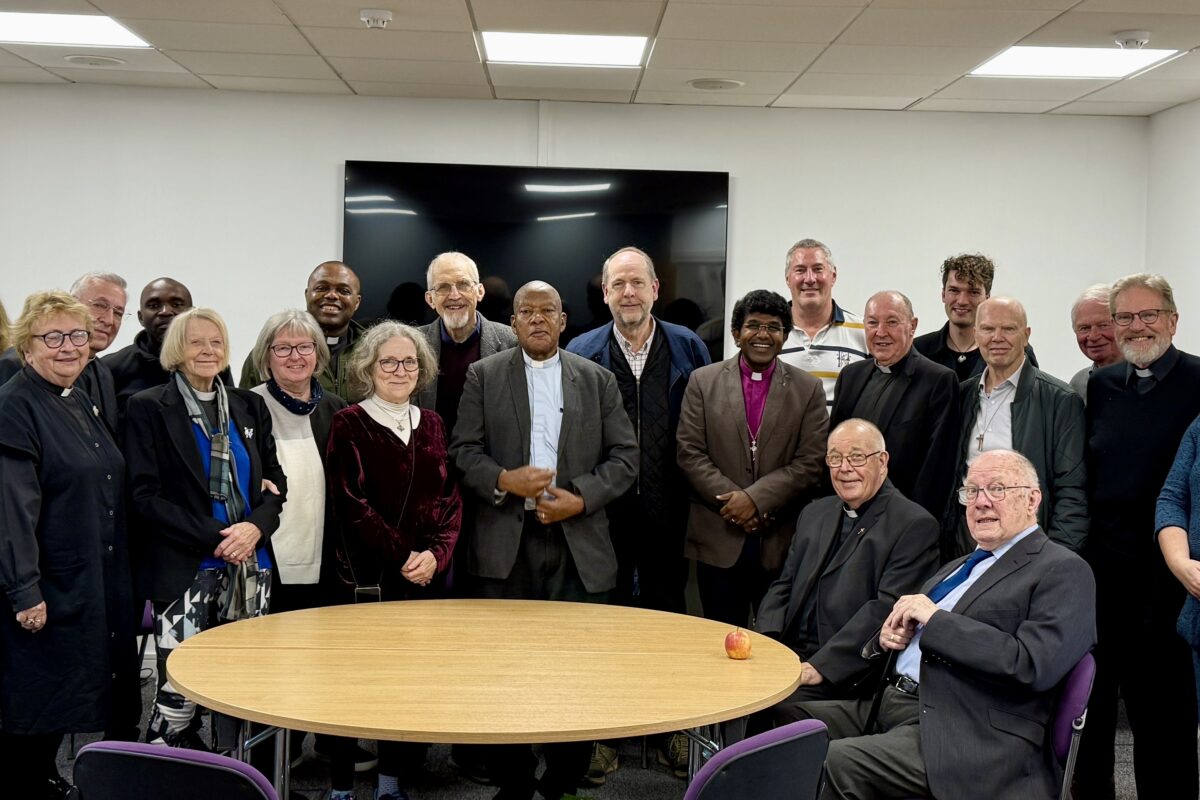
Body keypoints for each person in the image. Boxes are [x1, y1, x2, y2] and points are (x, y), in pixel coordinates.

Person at [798, 450, 1096, 800]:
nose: (981, 502)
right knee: (780, 721)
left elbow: (1032, 665)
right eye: (971, 492)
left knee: (835, 762)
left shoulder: (1062, 569)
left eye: (996, 489)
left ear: (1033, 499)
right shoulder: (957, 567)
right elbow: (916, 632)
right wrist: (885, 640)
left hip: (969, 730)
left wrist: (937, 620)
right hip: (895, 703)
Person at [451, 280, 638, 800]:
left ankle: (562, 783)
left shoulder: (597, 380)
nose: (536, 319)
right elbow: (462, 451)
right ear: (512, 323)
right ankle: (513, 782)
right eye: (526, 311)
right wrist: (504, 480)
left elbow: (626, 458)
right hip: (505, 545)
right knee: (504, 668)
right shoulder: (483, 376)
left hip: (579, 545)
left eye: (547, 311)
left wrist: (580, 498)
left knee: (575, 672)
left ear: (562, 321)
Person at [566, 246, 710, 783]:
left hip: (668, 510)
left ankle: (669, 727)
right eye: (618, 284)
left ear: (656, 289)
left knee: (667, 617)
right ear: (604, 293)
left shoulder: (687, 346)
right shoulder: (580, 349)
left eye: (638, 283)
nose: (629, 293)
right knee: (601, 621)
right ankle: (601, 732)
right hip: (600, 514)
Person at [124, 308, 286, 749]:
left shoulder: (246, 405)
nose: (208, 351)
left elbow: (276, 484)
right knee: (180, 690)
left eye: (216, 342)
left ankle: (236, 775)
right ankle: (163, 770)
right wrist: (221, 536)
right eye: (196, 342)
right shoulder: (148, 408)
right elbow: (144, 497)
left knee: (244, 684)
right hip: (186, 567)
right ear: (177, 349)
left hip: (252, 566)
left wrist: (254, 527)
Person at [0, 291, 138, 798]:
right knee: (34, 699)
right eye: (51, 337)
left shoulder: (77, 394)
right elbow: (11, 509)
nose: (67, 347)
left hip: (87, 575)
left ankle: (41, 777)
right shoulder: (15, 406)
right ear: (27, 346)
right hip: (46, 584)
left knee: (63, 694)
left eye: (76, 335)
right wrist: (24, 591)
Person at [326, 320, 463, 800]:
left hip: (421, 581)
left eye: (409, 361)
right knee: (349, 684)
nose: (400, 370)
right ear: (369, 367)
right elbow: (351, 504)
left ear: (422, 369)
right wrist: (406, 554)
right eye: (389, 361)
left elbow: (449, 501)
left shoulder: (433, 424)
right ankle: (341, 785)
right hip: (366, 578)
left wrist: (435, 556)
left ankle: (390, 783)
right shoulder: (348, 422)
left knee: (405, 686)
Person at [1078, 273, 1200, 800]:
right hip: (1106, 574)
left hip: (1173, 576)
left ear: (1173, 319)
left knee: (1164, 713)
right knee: (1097, 703)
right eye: (1124, 316)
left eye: (1148, 314)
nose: (1136, 326)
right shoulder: (1104, 385)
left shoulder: (1199, 383)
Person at [753, 419, 939, 728]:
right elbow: (783, 585)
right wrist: (766, 644)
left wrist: (819, 667)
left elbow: (885, 611)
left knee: (769, 706)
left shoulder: (914, 525)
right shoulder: (815, 512)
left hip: (847, 671)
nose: (844, 468)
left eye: (856, 457)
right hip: (788, 655)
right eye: (835, 458)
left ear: (882, 461)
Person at [677, 289, 828, 628]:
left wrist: (755, 501)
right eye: (753, 325)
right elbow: (690, 453)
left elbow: (810, 462)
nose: (763, 335)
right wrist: (736, 504)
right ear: (736, 333)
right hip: (718, 538)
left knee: (776, 643)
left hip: (779, 541)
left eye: (774, 327)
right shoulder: (703, 381)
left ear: (785, 335)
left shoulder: (808, 389)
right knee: (716, 641)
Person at [943, 296, 1086, 560]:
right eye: (987, 329)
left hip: (1028, 548)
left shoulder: (1060, 400)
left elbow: (1072, 493)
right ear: (976, 334)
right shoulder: (962, 395)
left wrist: (1052, 562)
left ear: (1026, 335)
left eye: (1008, 329)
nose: (997, 338)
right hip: (966, 544)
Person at [829, 291, 958, 517]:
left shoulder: (937, 380)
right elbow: (833, 449)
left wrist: (912, 522)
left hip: (902, 519)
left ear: (912, 326)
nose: (881, 332)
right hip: (847, 514)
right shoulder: (850, 376)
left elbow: (936, 468)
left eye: (891, 322)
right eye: (872, 323)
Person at [414, 252, 517, 456]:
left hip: (489, 467)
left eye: (462, 285)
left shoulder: (513, 343)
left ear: (479, 292)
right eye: (443, 287)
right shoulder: (411, 345)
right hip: (428, 464)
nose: (454, 295)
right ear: (430, 299)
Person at [1, 272, 127, 431]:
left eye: (118, 313)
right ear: (72, 304)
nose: (109, 320)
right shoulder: (15, 365)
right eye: (100, 305)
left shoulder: (104, 372)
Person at [106, 277, 233, 420]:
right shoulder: (111, 368)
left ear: (192, 313)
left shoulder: (210, 364)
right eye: (154, 306)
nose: (165, 312)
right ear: (141, 318)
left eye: (177, 304)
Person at [240, 261, 366, 402]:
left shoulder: (374, 350)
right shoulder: (271, 350)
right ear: (307, 294)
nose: (332, 295)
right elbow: (244, 410)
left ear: (357, 302)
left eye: (344, 291)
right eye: (321, 288)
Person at [912, 253, 1037, 382]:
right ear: (943, 294)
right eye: (954, 290)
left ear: (987, 297)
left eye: (973, 292)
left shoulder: (1014, 350)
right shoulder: (918, 350)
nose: (962, 301)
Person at [777, 238, 867, 405]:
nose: (810, 279)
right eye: (800, 270)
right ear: (788, 278)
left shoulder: (864, 331)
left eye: (818, 269)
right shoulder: (770, 334)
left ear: (833, 276)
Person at [1068, 283, 1123, 401]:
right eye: (1084, 328)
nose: (1093, 336)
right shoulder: (1078, 384)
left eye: (1103, 325)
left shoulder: (1147, 378)